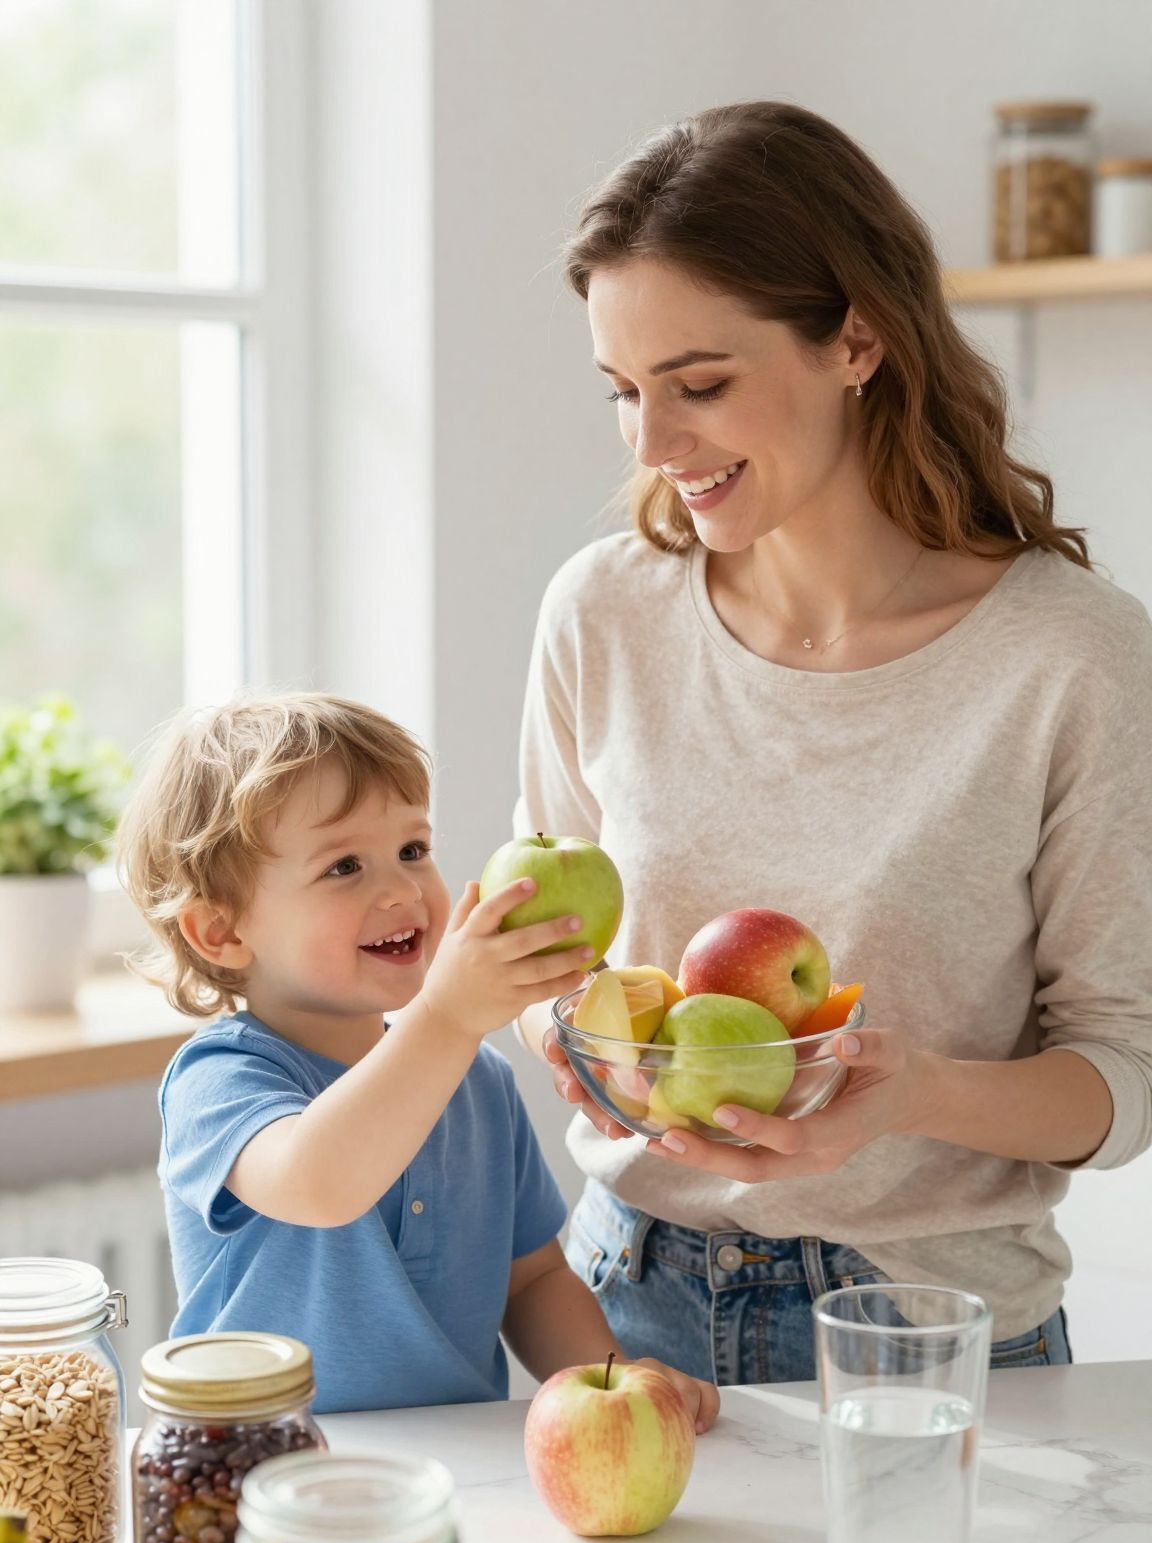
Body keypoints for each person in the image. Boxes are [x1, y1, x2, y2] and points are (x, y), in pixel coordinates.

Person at [513, 101, 1152, 1386]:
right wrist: (575, 1046)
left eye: (699, 384)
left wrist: (912, 1092)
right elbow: (545, 960)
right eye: (625, 392)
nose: (653, 442)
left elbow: (1123, 1074)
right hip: (624, 1307)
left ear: (856, 337)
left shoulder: (1070, 658)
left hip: (931, 1334)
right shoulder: (602, 612)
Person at [117, 692, 718, 1425]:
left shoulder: (478, 1078)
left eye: (413, 850)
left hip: (450, 1482)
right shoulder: (218, 1081)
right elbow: (322, 1180)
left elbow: (530, 1281)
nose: (402, 889)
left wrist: (611, 1377)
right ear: (220, 932)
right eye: (344, 866)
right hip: (261, 1473)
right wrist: (446, 1016)